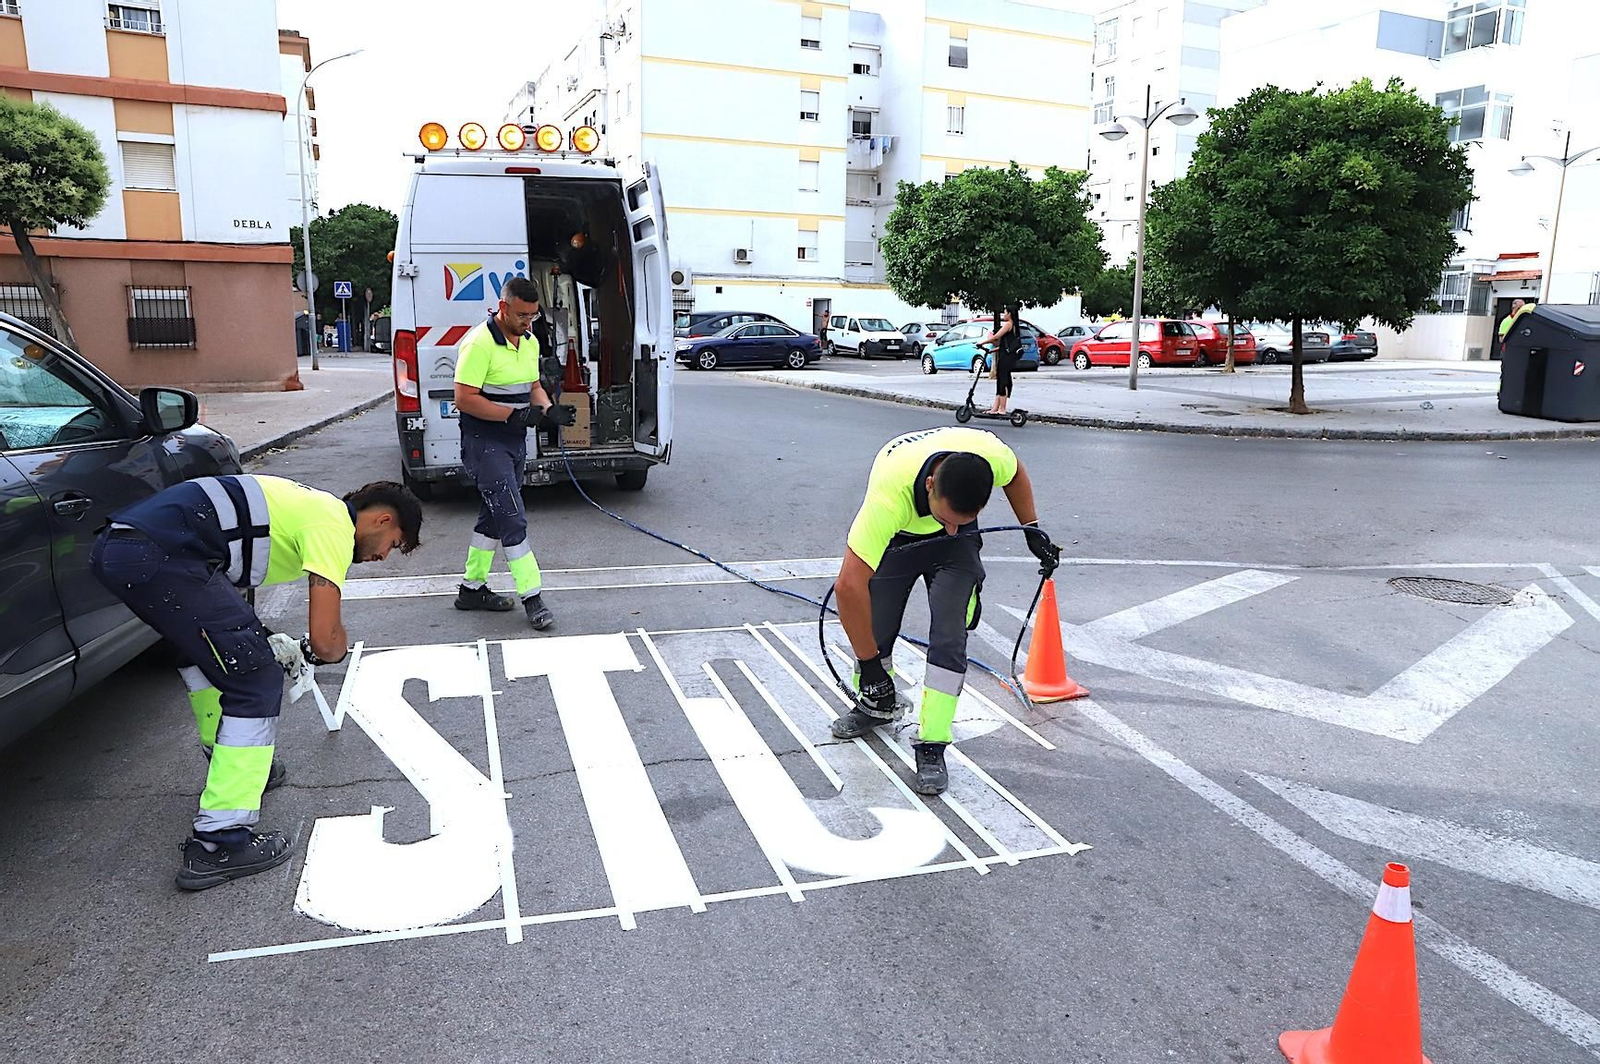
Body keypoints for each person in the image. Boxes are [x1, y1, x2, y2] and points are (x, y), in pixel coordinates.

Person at [89, 477, 423, 890]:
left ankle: (234, 770)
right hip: (162, 555)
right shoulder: (334, 525)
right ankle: (219, 841)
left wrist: (258, 636)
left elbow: (225, 594)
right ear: (383, 519)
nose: (383, 556)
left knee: (209, 658)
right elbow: (326, 640)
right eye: (393, 543)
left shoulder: (307, 506)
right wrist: (321, 649)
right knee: (255, 677)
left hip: (127, 547)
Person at [829, 427, 1059, 795]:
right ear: (930, 484)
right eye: (947, 517)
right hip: (901, 539)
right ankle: (875, 702)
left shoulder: (989, 454)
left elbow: (1015, 473)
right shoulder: (890, 495)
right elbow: (848, 587)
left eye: (964, 518)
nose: (951, 528)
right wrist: (869, 664)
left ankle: (933, 742)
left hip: (956, 554)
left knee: (949, 637)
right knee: (875, 625)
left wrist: (1030, 528)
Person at [451, 275, 576, 628]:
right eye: (522, 315)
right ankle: (532, 596)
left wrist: (549, 410)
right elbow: (464, 398)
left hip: (513, 440)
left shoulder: (530, 341)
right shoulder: (478, 344)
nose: (527, 322)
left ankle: (471, 589)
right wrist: (514, 414)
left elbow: (533, 385)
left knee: (493, 515)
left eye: (533, 316)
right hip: (484, 442)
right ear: (503, 307)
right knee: (512, 517)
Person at [982, 305, 1025, 416]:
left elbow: (996, 337)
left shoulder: (1008, 325)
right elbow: (1007, 345)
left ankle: (1002, 408)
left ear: (1009, 314)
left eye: (1005, 312)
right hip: (1007, 356)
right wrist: (993, 350)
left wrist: (982, 343)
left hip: (1006, 358)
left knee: (1003, 381)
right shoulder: (1014, 326)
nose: (1003, 314)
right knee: (1000, 380)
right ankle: (995, 408)